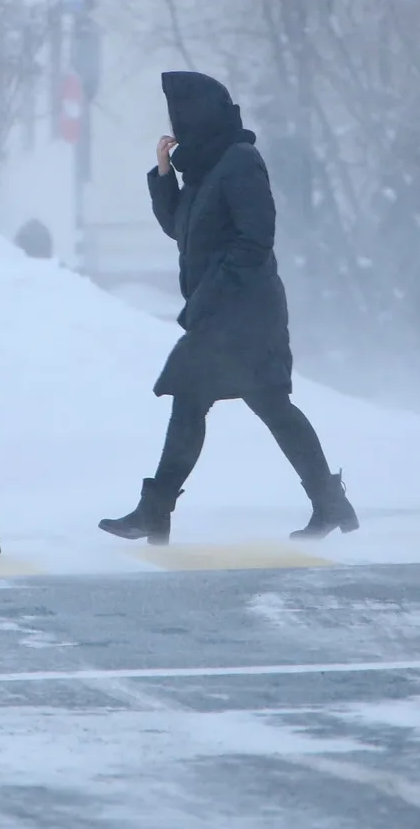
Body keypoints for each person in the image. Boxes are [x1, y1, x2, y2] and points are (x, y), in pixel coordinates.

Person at [99, 71, 358, 546]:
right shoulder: (203, 170)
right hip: (221, 313)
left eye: (181, 114)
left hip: (245, 314)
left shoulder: (240, 162)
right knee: (221, 404)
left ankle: (154, 513)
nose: (176, 124)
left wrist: (214, 292)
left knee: (237, 404)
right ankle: (329, 503)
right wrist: (163, 175)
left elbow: (256, 238)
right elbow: (178, 230)